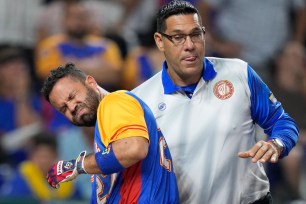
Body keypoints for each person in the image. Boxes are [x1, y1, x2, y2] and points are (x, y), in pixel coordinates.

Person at [132, 1, 299, 203]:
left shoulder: (239, 73)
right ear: (159, 41)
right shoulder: (140, 100)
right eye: (178, 37)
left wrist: (277, 143)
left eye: (196, 34)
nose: (190, 45)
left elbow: (282, 122)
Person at [41, 63, 179, 203]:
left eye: (72, 96)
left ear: (91, 82)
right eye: (63, 108)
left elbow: (133, 149)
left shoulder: (114, 101)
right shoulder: (106, 126)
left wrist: (77, 165)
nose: (71, 107)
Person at [0, 131, 76, 202]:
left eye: (47, 156)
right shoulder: (21, 179)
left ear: (55, 156)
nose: (43, 161)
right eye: (39, 156)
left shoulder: (66, 179)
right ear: (31, 156)